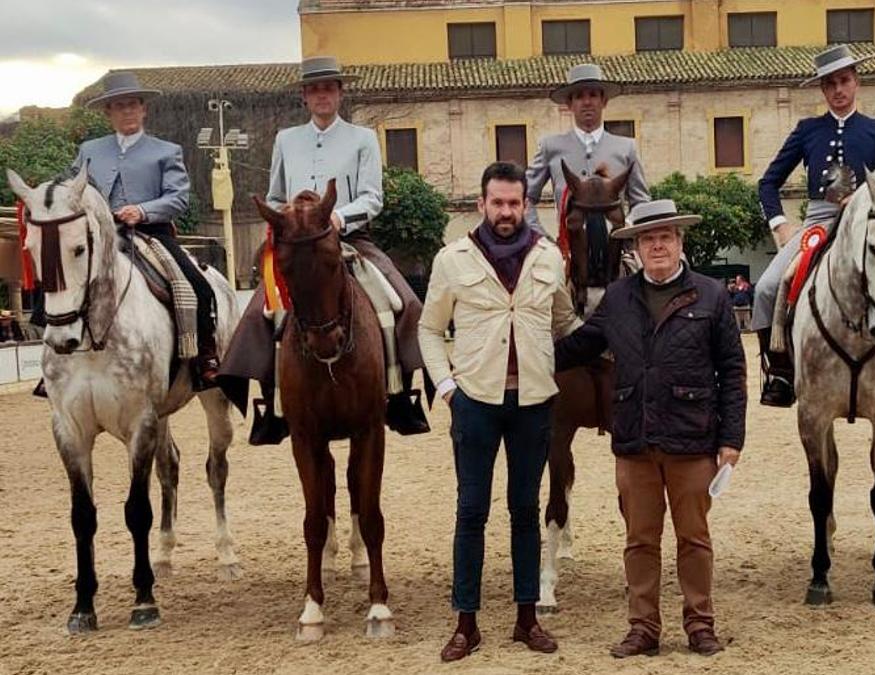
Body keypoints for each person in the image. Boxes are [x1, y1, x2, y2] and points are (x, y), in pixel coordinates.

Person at [556, 199, 747, 659]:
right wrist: (522, 353)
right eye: (647, 238)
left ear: (679, 241)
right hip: (635, 441)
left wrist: (731, 439)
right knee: (639, 540)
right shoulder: (619, 298)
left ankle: (700, 623)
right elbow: (581, 346)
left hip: (693, 437)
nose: (657, 245)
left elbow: (732, 370)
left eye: (665, 236)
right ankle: (643, 627)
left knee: (694, 539)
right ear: (636, 247)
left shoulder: (712, 295)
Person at [418, 162, 579, 662]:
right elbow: (428, 329)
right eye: (498, 203)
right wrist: (447, 387)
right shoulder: (452, 259)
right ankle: (466, 622)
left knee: (525, 511)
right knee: (471, 512)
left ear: (526, 205)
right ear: (482, 204)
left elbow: (564, 322)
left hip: (532, 401)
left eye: (515, 203)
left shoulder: (549, 258)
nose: (506, 211)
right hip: (476, 403)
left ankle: (526, 618)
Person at [218, 56, 425, 440]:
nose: (322, 95)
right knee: (258, 314)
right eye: (314, 89)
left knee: (401, 302)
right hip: (298, 246)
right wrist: (289, 219)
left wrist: (338, 218)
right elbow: (275, 194)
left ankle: (400, 396)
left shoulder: (363, 138)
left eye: (328, 87)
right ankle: (272, 404)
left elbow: (372, 197)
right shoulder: (286, 139)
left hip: (347, 238)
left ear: (340, 93)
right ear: (304, 96)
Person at [756, 44, 875, 407]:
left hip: (868, 223)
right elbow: (767, 183)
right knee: (767, 288)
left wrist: (865, 201)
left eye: (844, 81)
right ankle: (780, 372)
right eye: (830, 84)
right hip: (819, 222)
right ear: (822, 90)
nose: (838, 90)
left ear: (856, 82)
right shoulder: (807, 130)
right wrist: (781, 225)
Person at [74, 71, 219, 388]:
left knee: (197, 285)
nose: (127, 110)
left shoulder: (166, 151)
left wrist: (141, 210)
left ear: (144, 109)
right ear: (108, 112)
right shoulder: (89, 150)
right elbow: (74, 191)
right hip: (100, 237)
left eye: (132, 104)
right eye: (119, 105)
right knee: (61, 281)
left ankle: (205, 356)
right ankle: (57, 359)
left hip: (152, 233)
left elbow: (178, 198)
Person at [525, 63, 651, 236]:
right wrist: (540, 237)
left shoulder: (626, 148)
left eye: (593, 95)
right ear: (569, 104)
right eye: (579, 96)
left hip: (617, 246)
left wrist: (626, 226)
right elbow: (525, 198)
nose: (587, 102)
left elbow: (641, 200)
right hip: (568, 249)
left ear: (604, 101)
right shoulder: (550, 147)